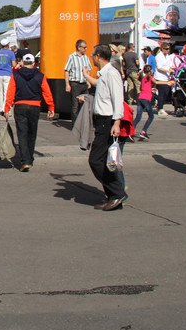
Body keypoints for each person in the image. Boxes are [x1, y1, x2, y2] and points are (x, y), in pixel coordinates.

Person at [85, 44, 125, 210]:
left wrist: (117, 122)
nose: (91, 57)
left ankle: (117, 192)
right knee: (102, 160)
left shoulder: (111, 73)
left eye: (93, 55)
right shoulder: (103, 74)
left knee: (95, 160)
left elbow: (118, 98)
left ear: (99, 56)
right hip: (101, 120)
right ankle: (112, 196)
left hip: (107, 121)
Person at [4, 53, 56, 172]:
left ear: (22, 63)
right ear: (34, 63)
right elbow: (47, 92)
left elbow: (10, 92)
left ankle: (25, 161)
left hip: (20, 105)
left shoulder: (15, 74)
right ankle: (29, 158)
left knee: (22, 133)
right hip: (34, 106)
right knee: (32, 134)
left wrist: (7, 108)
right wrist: (51, 107)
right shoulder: (40, 76)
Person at [64, 40, 90, 121]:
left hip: (84, 84)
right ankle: (75, 125)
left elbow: (88, 70)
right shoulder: (72, 57)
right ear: (79, 47)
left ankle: (83, 123)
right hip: (75, 84)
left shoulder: (86, 57)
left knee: (85, 104)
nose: (86, 49)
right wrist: (67, 84)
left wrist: (88, 81)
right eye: (84, 47)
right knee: (75, 105)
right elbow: (67, 71)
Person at [0, 40, 16, 115]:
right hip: (8, 74)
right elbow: (14, 65)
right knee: (7, 92)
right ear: (8, 44)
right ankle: (7, 109)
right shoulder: (11, 53)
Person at [132, 65, 155, 142]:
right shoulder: (149, 77)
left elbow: (142, 88)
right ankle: (143, 131)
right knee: (151, 116)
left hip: (140, 98)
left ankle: (130, 131)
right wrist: (167, 82)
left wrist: (151, 89)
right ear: (149, 71)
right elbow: (156, 82)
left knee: (138, 117)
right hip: (146, 99)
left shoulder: (143, 78)